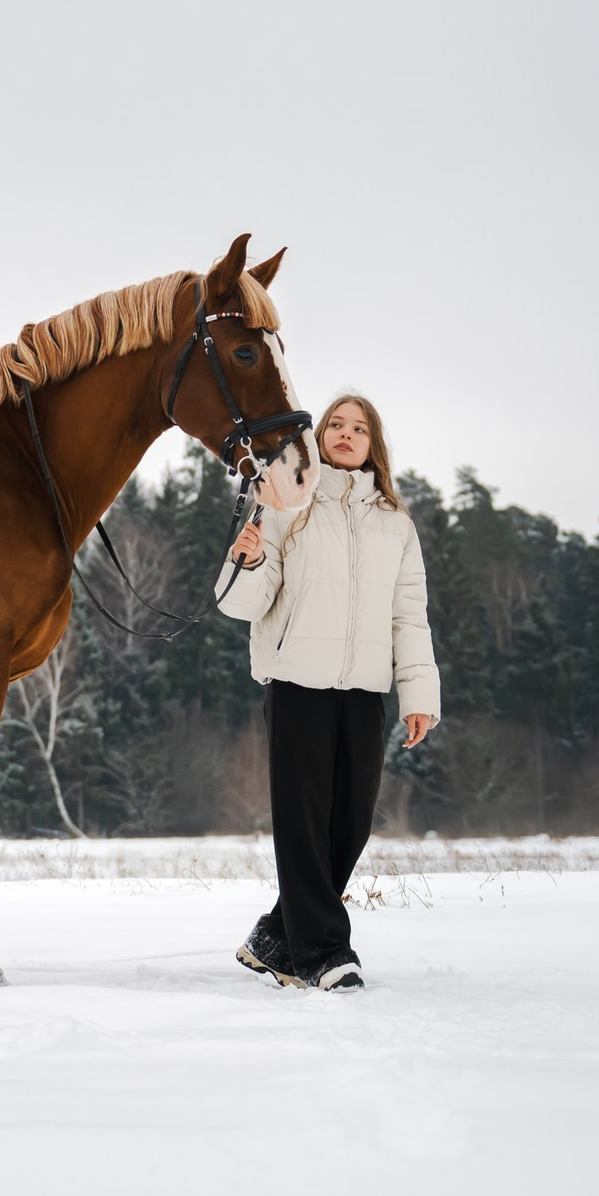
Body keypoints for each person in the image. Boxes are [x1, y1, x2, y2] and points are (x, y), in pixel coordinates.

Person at [218, 392, 438, 990]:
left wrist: (418, 696)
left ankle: (275, 936)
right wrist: (247, 559)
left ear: (374, 444)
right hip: (297, 684)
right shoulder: (290, 504)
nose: (345, 433)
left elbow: (408, 618)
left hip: (364, 691)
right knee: (303, 820)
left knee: (352, 824)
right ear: (319, 440)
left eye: (358, 427)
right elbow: (244, 604)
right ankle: (322, 954)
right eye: (335, 424)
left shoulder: (397, 524)